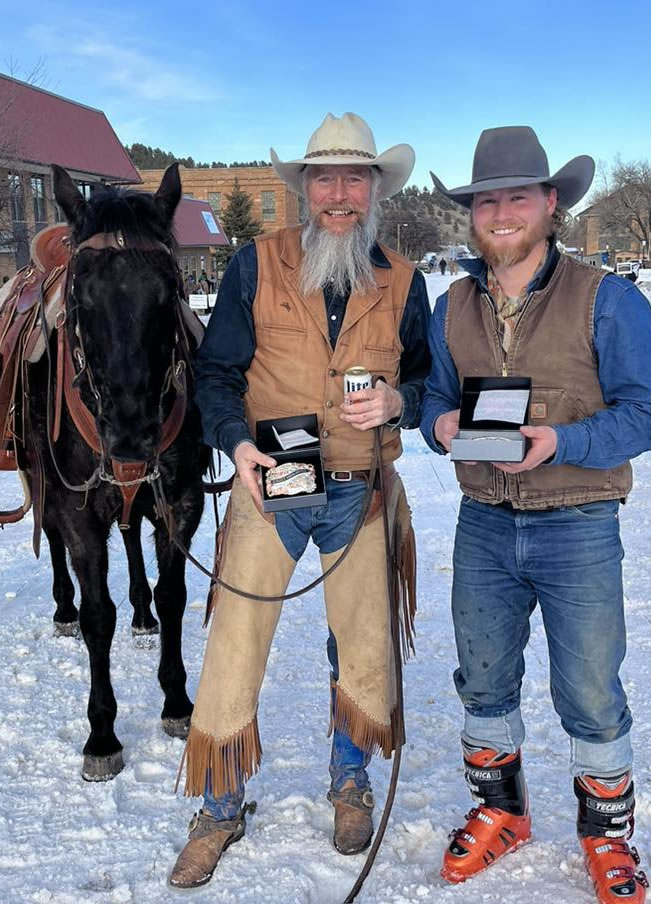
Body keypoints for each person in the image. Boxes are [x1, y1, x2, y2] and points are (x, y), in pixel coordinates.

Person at [169, 112, 431, 889]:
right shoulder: (254, 264)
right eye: (325, 179)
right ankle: (220, 804)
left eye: (356, 178)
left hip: (361, 484)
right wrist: (236, 444)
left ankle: (348, 779)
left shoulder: (407, 281)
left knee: (362, 641)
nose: (339, 194)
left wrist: (397, 404)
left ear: (374, 190)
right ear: (303, 189)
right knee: (235, 641)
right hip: (272, 476)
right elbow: (215, 376)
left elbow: (425, 381)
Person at [421, 126, 651, 903]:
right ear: (472, 215)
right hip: (483, 519)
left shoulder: (606, 297)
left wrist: (562, 440)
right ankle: (501, 815)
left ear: (550, 204)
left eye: (517, 196)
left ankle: (605, 834)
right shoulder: (451, 303)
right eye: (486, 201)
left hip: (577, 521)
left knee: (589, 686)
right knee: (482, 676)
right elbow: (430, 397)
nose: (500, 213)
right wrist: (439, 425)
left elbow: (644, 410)